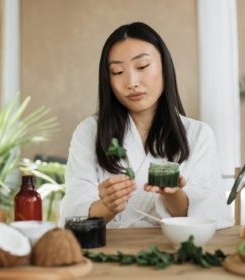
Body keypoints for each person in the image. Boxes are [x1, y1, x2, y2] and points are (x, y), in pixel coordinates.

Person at [60, 22, 233, 229]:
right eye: (117, 72)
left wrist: (173, 194)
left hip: (171, 252)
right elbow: (74, 214)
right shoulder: (89, 132)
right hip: (106, 251)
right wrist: (108, 206)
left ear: (164, 66)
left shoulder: (198, 135)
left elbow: (211, 214)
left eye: (142, 67)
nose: (131, 82)